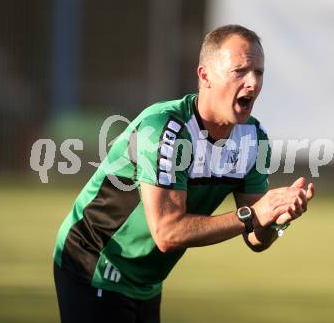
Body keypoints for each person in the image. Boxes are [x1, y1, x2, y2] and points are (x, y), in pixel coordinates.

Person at [53, 24, 315, 323]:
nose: (253, 83)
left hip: (146, 280)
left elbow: (256, 239)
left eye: (259, 72)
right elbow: (167, 232)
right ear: (205, 76)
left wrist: (276, 218)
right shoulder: (165, 128)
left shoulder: (253, 138)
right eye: (240, 71)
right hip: (95, 263)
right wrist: (253, 215)